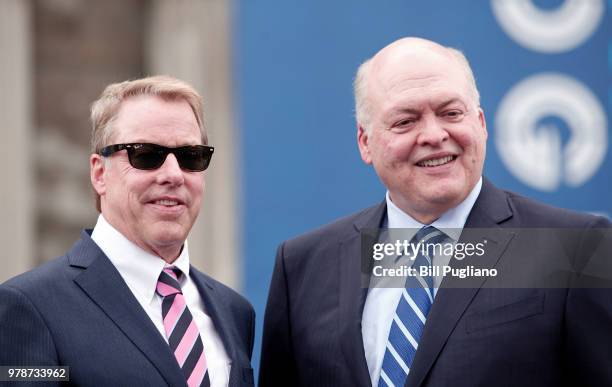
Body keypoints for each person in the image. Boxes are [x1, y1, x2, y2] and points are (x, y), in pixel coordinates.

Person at [259, 37, 612, 386]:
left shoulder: (575, 249)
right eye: (405, 121)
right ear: (365, 142)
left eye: (451, 113)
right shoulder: (303, 265)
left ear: (481, 124)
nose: (433, 134)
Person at [0, 76, 255, 387]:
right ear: (99, 173)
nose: (173, 175)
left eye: (191, 156)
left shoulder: (234, 312)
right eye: (146, 154)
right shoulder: (29, 307)